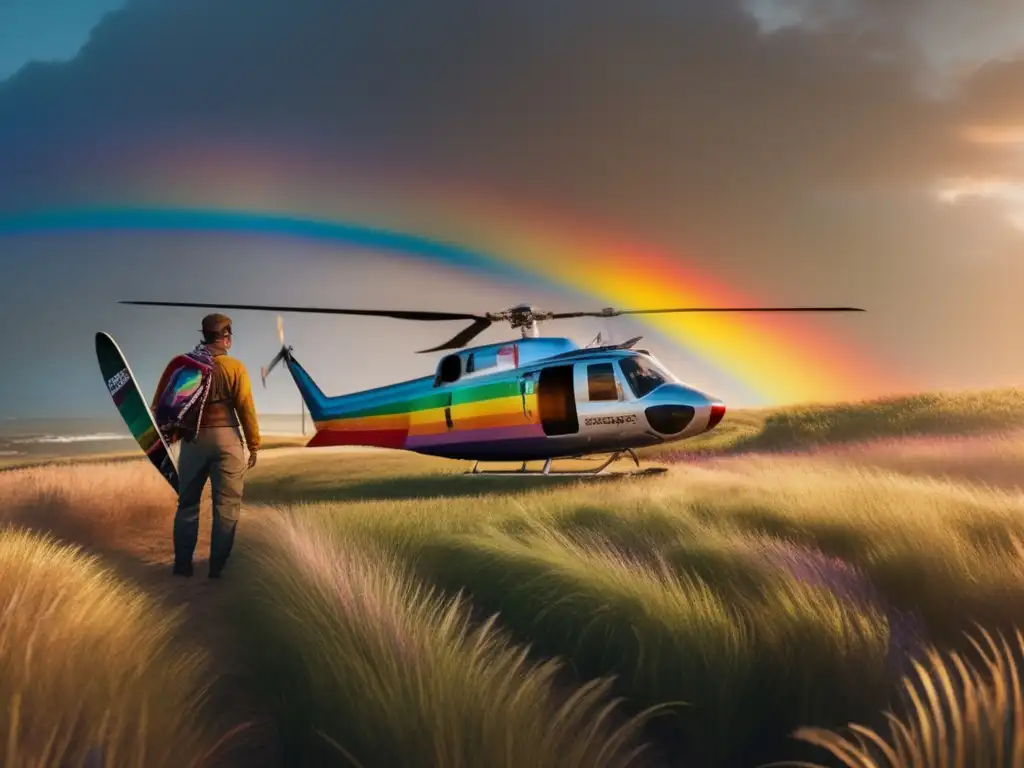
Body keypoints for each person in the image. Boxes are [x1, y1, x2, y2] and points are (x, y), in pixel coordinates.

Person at [153, 313, 261, 578]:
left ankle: (182, 567)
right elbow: (245, 407)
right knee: (226, 507)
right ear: (226, 338)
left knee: (187, 504)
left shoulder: (188, 366)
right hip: (228, 441)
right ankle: (217, 570)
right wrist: (254, 444)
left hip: (194, 441)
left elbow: (164, 403)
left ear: (204, 335)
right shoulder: (235, 367)